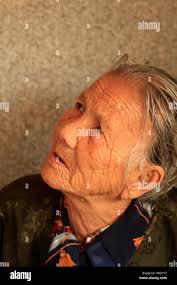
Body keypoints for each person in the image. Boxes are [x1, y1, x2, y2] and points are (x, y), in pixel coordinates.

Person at [0, 55, 177, 267]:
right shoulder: (13, 207)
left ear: (143, 179)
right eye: (80, 106)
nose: (65, 132)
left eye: (98, 130)